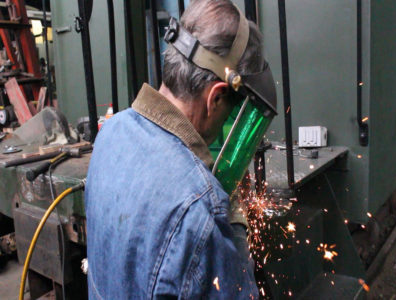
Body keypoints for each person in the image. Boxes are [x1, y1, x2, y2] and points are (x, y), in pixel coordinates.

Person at [85, 0, 266, 298]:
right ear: (216, 98)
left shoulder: (110, 133)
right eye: (226, 115)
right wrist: (233, 229)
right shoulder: (201, 207)